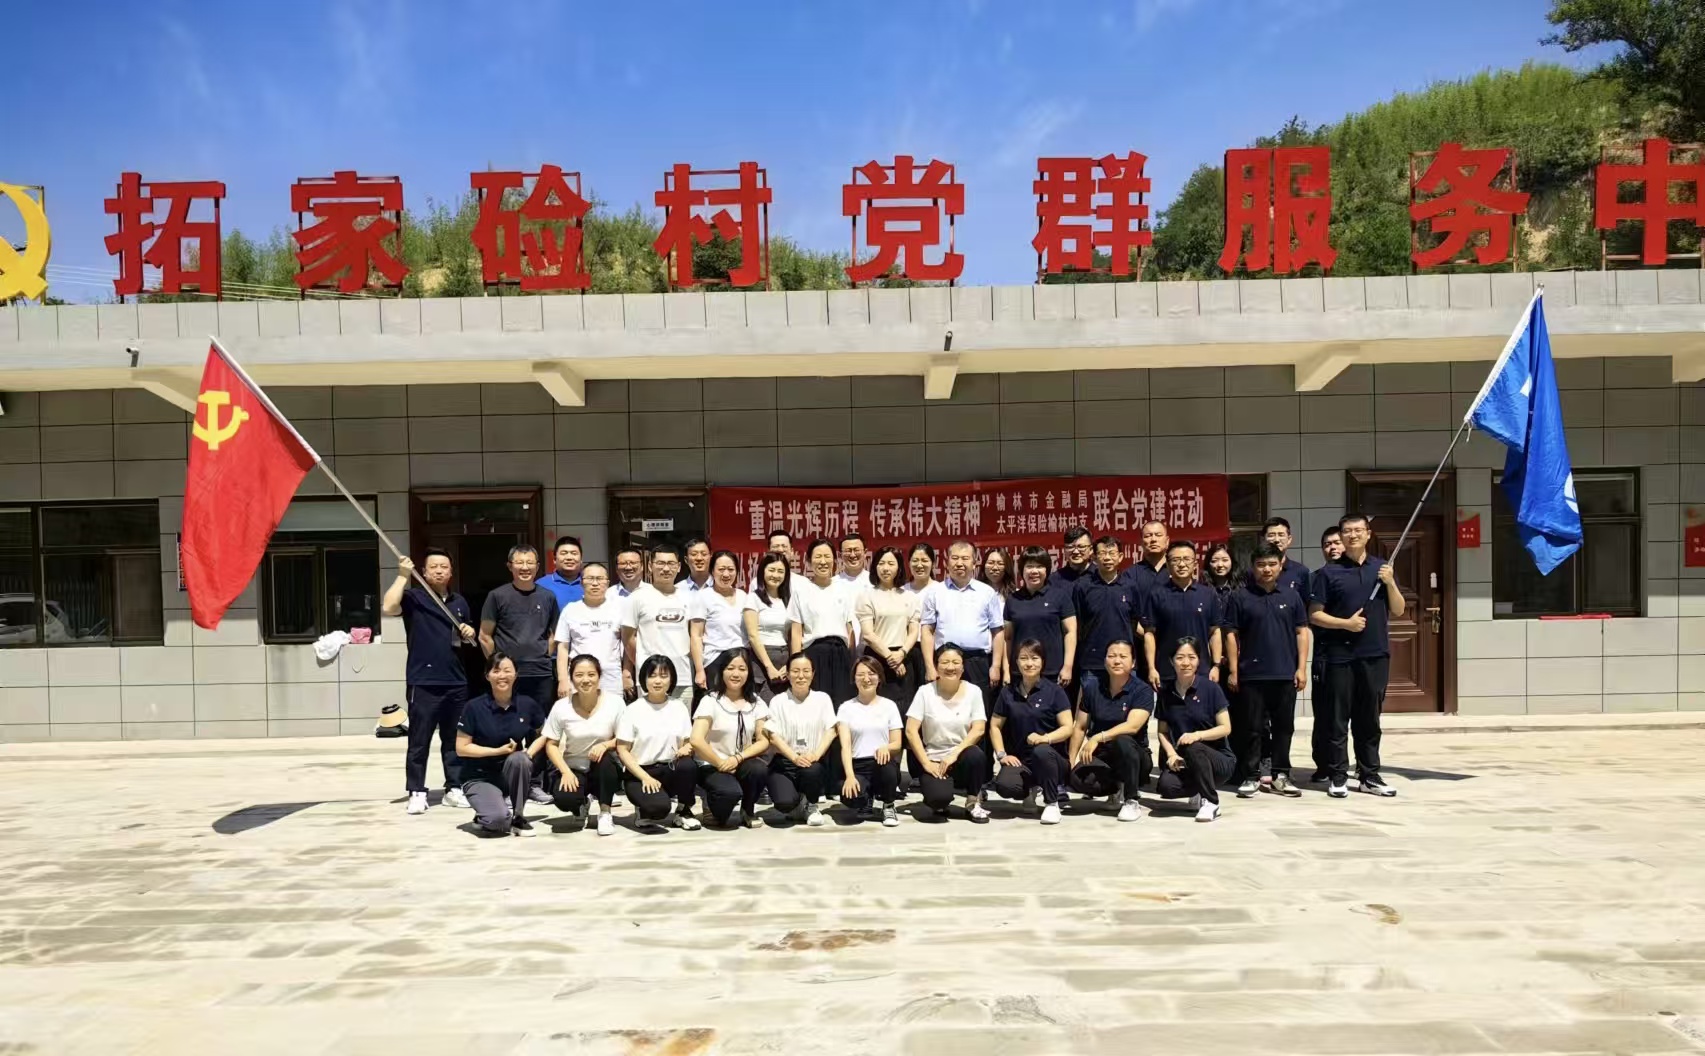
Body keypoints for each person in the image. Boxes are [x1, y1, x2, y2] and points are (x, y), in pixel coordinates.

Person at [1309, 514, 1403, 799]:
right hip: (1340, 657)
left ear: (1368, 534)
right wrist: (1345, 624)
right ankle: (1338, 776)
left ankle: (1369, 775)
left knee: (1369, 720)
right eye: (1347, 531)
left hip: (1374, 655)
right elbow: (1315, 615)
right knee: (1337, 720)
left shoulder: (1381, 569)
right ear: (1341, 535)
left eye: (1358, 530)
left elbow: (1398, 609)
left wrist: (1390, 582)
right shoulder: (1328, 573)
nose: (1353, 535)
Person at [382, 550, 477, 815]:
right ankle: (416, 791)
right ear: (423, 572)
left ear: (451, 572)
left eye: (443, 566)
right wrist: (402, 575)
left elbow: (466, 638)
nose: (438, 570)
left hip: (455, 681)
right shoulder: (414, 598)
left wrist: (469, 631)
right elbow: (388, 607)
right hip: (423, 680)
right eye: (433, 566)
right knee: (419, 740)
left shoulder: (459, 602)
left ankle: (454, 788)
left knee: (454, 739)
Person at [1225, 543, 1309, 798]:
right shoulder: (1240, 597)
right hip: (1251, 674)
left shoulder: (1292, 596)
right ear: (1253, 567)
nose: (1267, 569)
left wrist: (1301, 668)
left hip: (1284, 673)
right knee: (1252, 727)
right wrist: (1233, 670)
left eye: (1272, 564)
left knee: (1284, 727)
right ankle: (1251, 775)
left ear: (1281, 565)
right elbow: (1231, 635)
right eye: (1261, 565)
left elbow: (1302, 632)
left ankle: (1281, 774)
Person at [454, 652, 547, 837]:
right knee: (498, 822)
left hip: (509, 774)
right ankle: (486, 815)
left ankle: (518, 817)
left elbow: (545, 733)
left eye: (507, 670)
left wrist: (529, 753)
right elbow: (461, 748)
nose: (502, 676)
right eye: (496, 671)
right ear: (487, 676)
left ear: (516, 675)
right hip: (480, 777)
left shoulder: (527, 704)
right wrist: (497, 751)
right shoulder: (474, 707)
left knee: (520, 759)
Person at [988, 640, 1074, 825]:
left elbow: (1068, 727)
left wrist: (1045, 738)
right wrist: (1002, 754)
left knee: (1041, 751)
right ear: (1016, 662)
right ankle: (1030, 790)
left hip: (1052, 760)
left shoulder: (1055, 691)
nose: (1029, 663)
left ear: (1043, 661)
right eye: (1023, 658)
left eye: (1034, 658)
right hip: (1021, 761)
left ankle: (1051, 803)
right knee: (1005, 786)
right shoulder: (1008, 693)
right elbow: (995, 726)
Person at [905, 644, 992, 822]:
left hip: (961, 757)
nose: (950, 667)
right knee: (938, 800)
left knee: (976, 755)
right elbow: (910, 730)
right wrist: (926, 763)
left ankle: (973, 801)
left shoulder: (973, 691)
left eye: (955, 662)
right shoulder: (925, 692)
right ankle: (939, 798)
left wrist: (954, 754)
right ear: (937, 666)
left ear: (963, 667)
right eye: (944, 662)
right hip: (934, 759)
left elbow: (979, 729)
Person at [614, 654, 702, 830]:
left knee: (688, 766)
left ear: (671, 679)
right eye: (652, 675)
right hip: (641, 772)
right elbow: (622, 750)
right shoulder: (633, 709)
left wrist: (687, 748)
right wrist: (645, 778)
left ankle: (683, 811)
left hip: (669, 768)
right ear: (644, 679)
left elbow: (688, 741)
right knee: (658, 809)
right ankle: (644, 810)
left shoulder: (679, 707)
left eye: (663, 676)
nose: (657, 681)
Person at [1152, 638, 1235, 823]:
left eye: (1191, 657)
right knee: (1166, 786)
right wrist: (1172, 754)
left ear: (1198, 661)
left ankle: (1211, 802)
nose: (1186, 662)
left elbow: (1226, 728)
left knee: (1194, 746)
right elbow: (1162, 731)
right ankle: (1200, 789)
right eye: (1180, 657)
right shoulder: (1166, 693)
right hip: (1186, 760)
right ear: (1172, 661)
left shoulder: (1211, 689)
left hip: (1218, 760)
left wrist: (1198, 735)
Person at [1069, 639, 1152, 822]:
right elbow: (1080, 726)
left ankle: (1131, 800)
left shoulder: (1142, 690)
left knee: (1123, 740)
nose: (1117, 661)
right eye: (1112, 656)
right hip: (1104, 755)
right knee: (1077, 778)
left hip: (1135, 756)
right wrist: (1071, 761)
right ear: (1105, 660)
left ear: (1133, 662)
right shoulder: (1092, 688)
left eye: (1123, 656)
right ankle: (1115, 789)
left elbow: (1133, 726)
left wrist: (1098, 737)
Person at [541, 654, 624, 835]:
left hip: (603, 767)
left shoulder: (615, 703)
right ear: (571, 678)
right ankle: (581, 804)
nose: (585, 680)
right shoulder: (561, 706)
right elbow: (551, 744)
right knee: (564, 798)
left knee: (606, 761)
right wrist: (565, 771)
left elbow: (625, 738)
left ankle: (605, 812)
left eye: (591, 674)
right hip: (574, 768)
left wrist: (606, 745)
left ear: (599, 676)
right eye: (579, 675)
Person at [689, 648, 771, 828]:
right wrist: (720, 763)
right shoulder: (710, 700)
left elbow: (764, 740)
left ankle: (747, 810)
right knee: (726, 801)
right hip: (712, 764)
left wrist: (738, 758)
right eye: (731, 668)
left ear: (749, 673)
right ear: (722, 671)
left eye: (742, 669)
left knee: (759, 770)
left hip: (740, 761)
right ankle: (710, 802)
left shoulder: (756, 702)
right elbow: (696, 739)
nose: (736, 674)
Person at [919, 540, 1006, 701]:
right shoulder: (935, 592)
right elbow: (927, 631)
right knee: (944, 707)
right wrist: (930, 666)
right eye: (955, 558)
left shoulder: (987, 592)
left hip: (977, 662)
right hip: (945, 660)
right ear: (947, 563)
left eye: (965, 558)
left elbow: (998, 632)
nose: (959, 563)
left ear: (974, 563)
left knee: (979, 708)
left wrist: (996, 666)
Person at [478, 544, 560, 711]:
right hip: (507, 674)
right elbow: (484, 636)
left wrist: (544, 653)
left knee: (539, 720)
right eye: (519, 563)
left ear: (537, 566)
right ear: (510, 566)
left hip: (540, 672)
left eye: (529, 563)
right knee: (507, 716)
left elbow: (555, 634)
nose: (525, 567)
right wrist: (497, 664)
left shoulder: (548, 597)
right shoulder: (497, 596)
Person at [765, 652, 837, 826]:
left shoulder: (822, 699)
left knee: (812, 771)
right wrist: (794, 757)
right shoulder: (778, 701)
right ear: (788, 674)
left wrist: (816, 755)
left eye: (806, 671)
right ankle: (798, 804)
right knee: (784, 803)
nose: (801, 676)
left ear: (813, 674)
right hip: (784, 762)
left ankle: (811, 804)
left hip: (812, 760)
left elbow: (831, 730)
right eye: (795, 671)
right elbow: (773, 736)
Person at [1141, 541, 1224, 692]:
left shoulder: (1207, 594)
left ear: (1195, 564)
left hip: (1201, 671)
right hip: (1167, 672)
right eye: (1175, 560)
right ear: (1168, 564)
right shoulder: (1157, 594)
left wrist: (1216, 666)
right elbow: (1149, 633)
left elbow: (1215, 632)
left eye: (1187, 559)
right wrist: (1152, 668)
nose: (1181, 564)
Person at [621, 545, 693, 707]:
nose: (666, 569)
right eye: (660, 563)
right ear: (650, 566)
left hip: (683, 676)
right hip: (650, 677)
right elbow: (628, 638)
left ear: (679, 567)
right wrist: (644, 663)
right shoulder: (637, 598)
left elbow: (694, 635)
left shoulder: (688, 597)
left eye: (671, 564)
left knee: (682, 721)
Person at [837, 656, 905, 826]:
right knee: (851, 797)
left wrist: (887, 748)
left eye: (871, 674)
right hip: (858, 765)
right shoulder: (846, 708)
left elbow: (897, 743)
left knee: (888, 769)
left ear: (879, 677)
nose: (866, 679)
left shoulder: (889, 706)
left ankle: (888, 805)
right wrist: (850, 776)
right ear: (854, 679)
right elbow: (845, 746)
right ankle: (866, 798)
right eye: (860, 675)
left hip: (881, 762)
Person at [788, 538, 856, 704]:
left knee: (843, 703)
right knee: (815, 704)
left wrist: (852, 660)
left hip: (841, 654)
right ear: (809, 561)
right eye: (818, 557)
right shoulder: (800, 591)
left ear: (835, 560)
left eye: (827, 556)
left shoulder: (843, 589)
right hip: (814, 654)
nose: (823, 562)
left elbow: (849, 628)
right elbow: (796, 632)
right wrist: (796, 664)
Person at [856, 545, 922, 707]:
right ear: (875, 566)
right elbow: (868, 634)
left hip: (904, 657)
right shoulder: (866, 596)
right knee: (876, 706)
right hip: (877, 658)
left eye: (891, 564)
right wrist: (891, 658)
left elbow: (913, 632)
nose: (886, 568)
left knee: (904, 706)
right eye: (881, 563)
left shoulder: (910, 597)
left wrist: (902, 653)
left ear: (899, 568)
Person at [1003, 547, 1078, 690]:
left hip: (1053, 672)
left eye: (1039, 567)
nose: (1034, 571)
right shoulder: (1013, 599)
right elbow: (1008, 638)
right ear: (1022, 570)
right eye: (1029, 566)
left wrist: (1067, 666)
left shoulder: (1060, 596)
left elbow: (1070, 632)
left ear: (1047, 570)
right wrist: (1006, 671)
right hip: (1020, 672)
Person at [1071, 535, 1138, 692]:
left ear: (1120, 557)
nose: (1107, 558)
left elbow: (1134, 621)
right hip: (1092, 662)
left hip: (1124, 661)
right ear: (1094, 558)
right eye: (1102, 553)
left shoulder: (1130, 586)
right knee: (1090, 705)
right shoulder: (1083, 586)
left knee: (1126, 704)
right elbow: (1077, 624)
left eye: (1112, 553)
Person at [554, 562, 629, 700]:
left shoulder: (619, 609)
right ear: (581, 583)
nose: (595, 583)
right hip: (579, 678)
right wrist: (563, 679)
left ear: (607, 583)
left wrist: (627, 674)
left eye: (600, 579)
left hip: (611, 678)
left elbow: (627, 644)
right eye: (590, 579)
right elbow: (562, 647)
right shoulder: (570, 610)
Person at [1306, 525, 1344, 776]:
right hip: (1326, 654)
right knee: (1325, 712)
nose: (1332, 548)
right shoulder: (1315, 578)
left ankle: (1360, 765)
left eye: (1336, 542)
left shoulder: (1363, 575)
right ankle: (1325, 764)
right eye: (1327, 544)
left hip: (1356, 654)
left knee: (1357, 714)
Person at [689, 550, 752, 696]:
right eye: (721, 569)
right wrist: (699, 670)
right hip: (715, 661)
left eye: (731, 569)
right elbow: (696, 636)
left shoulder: (743, 596)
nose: (726, 574)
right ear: (712, 571)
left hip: (741, 660)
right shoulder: (703, 596)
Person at [744, 553, 794, 699]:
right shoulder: (753, 598)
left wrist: (790, 663)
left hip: (784, 657)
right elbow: (753, 636)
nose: (776, 575)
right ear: (762, 571)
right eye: (771, 570)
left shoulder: (788, 600)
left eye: (780, 571)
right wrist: (769, 667)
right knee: (764, 704)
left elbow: (793, 634)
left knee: (785, 704)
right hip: (762, 658)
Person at [1258, 517, 1312, 601]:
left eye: (1281, 535)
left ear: (1289, 539)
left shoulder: (1301, 571)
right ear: (1262, 539)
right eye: (1271, 535)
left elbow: (1306, 604)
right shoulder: (1254, 572)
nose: (1276, 540)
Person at [538, 535, 585, 608]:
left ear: (581, 559)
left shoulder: (590, 583)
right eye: (564, 553)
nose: (569, 558)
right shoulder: (541, 585)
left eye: (574, 553)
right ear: (554, 559)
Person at [1126, 520, 1171, 597]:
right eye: (1148, 536)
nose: (1153, 539)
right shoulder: (1131, 574)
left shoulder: (1177, 571)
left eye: (1158, 535)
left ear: (1167, 541)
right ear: (1141, 542)